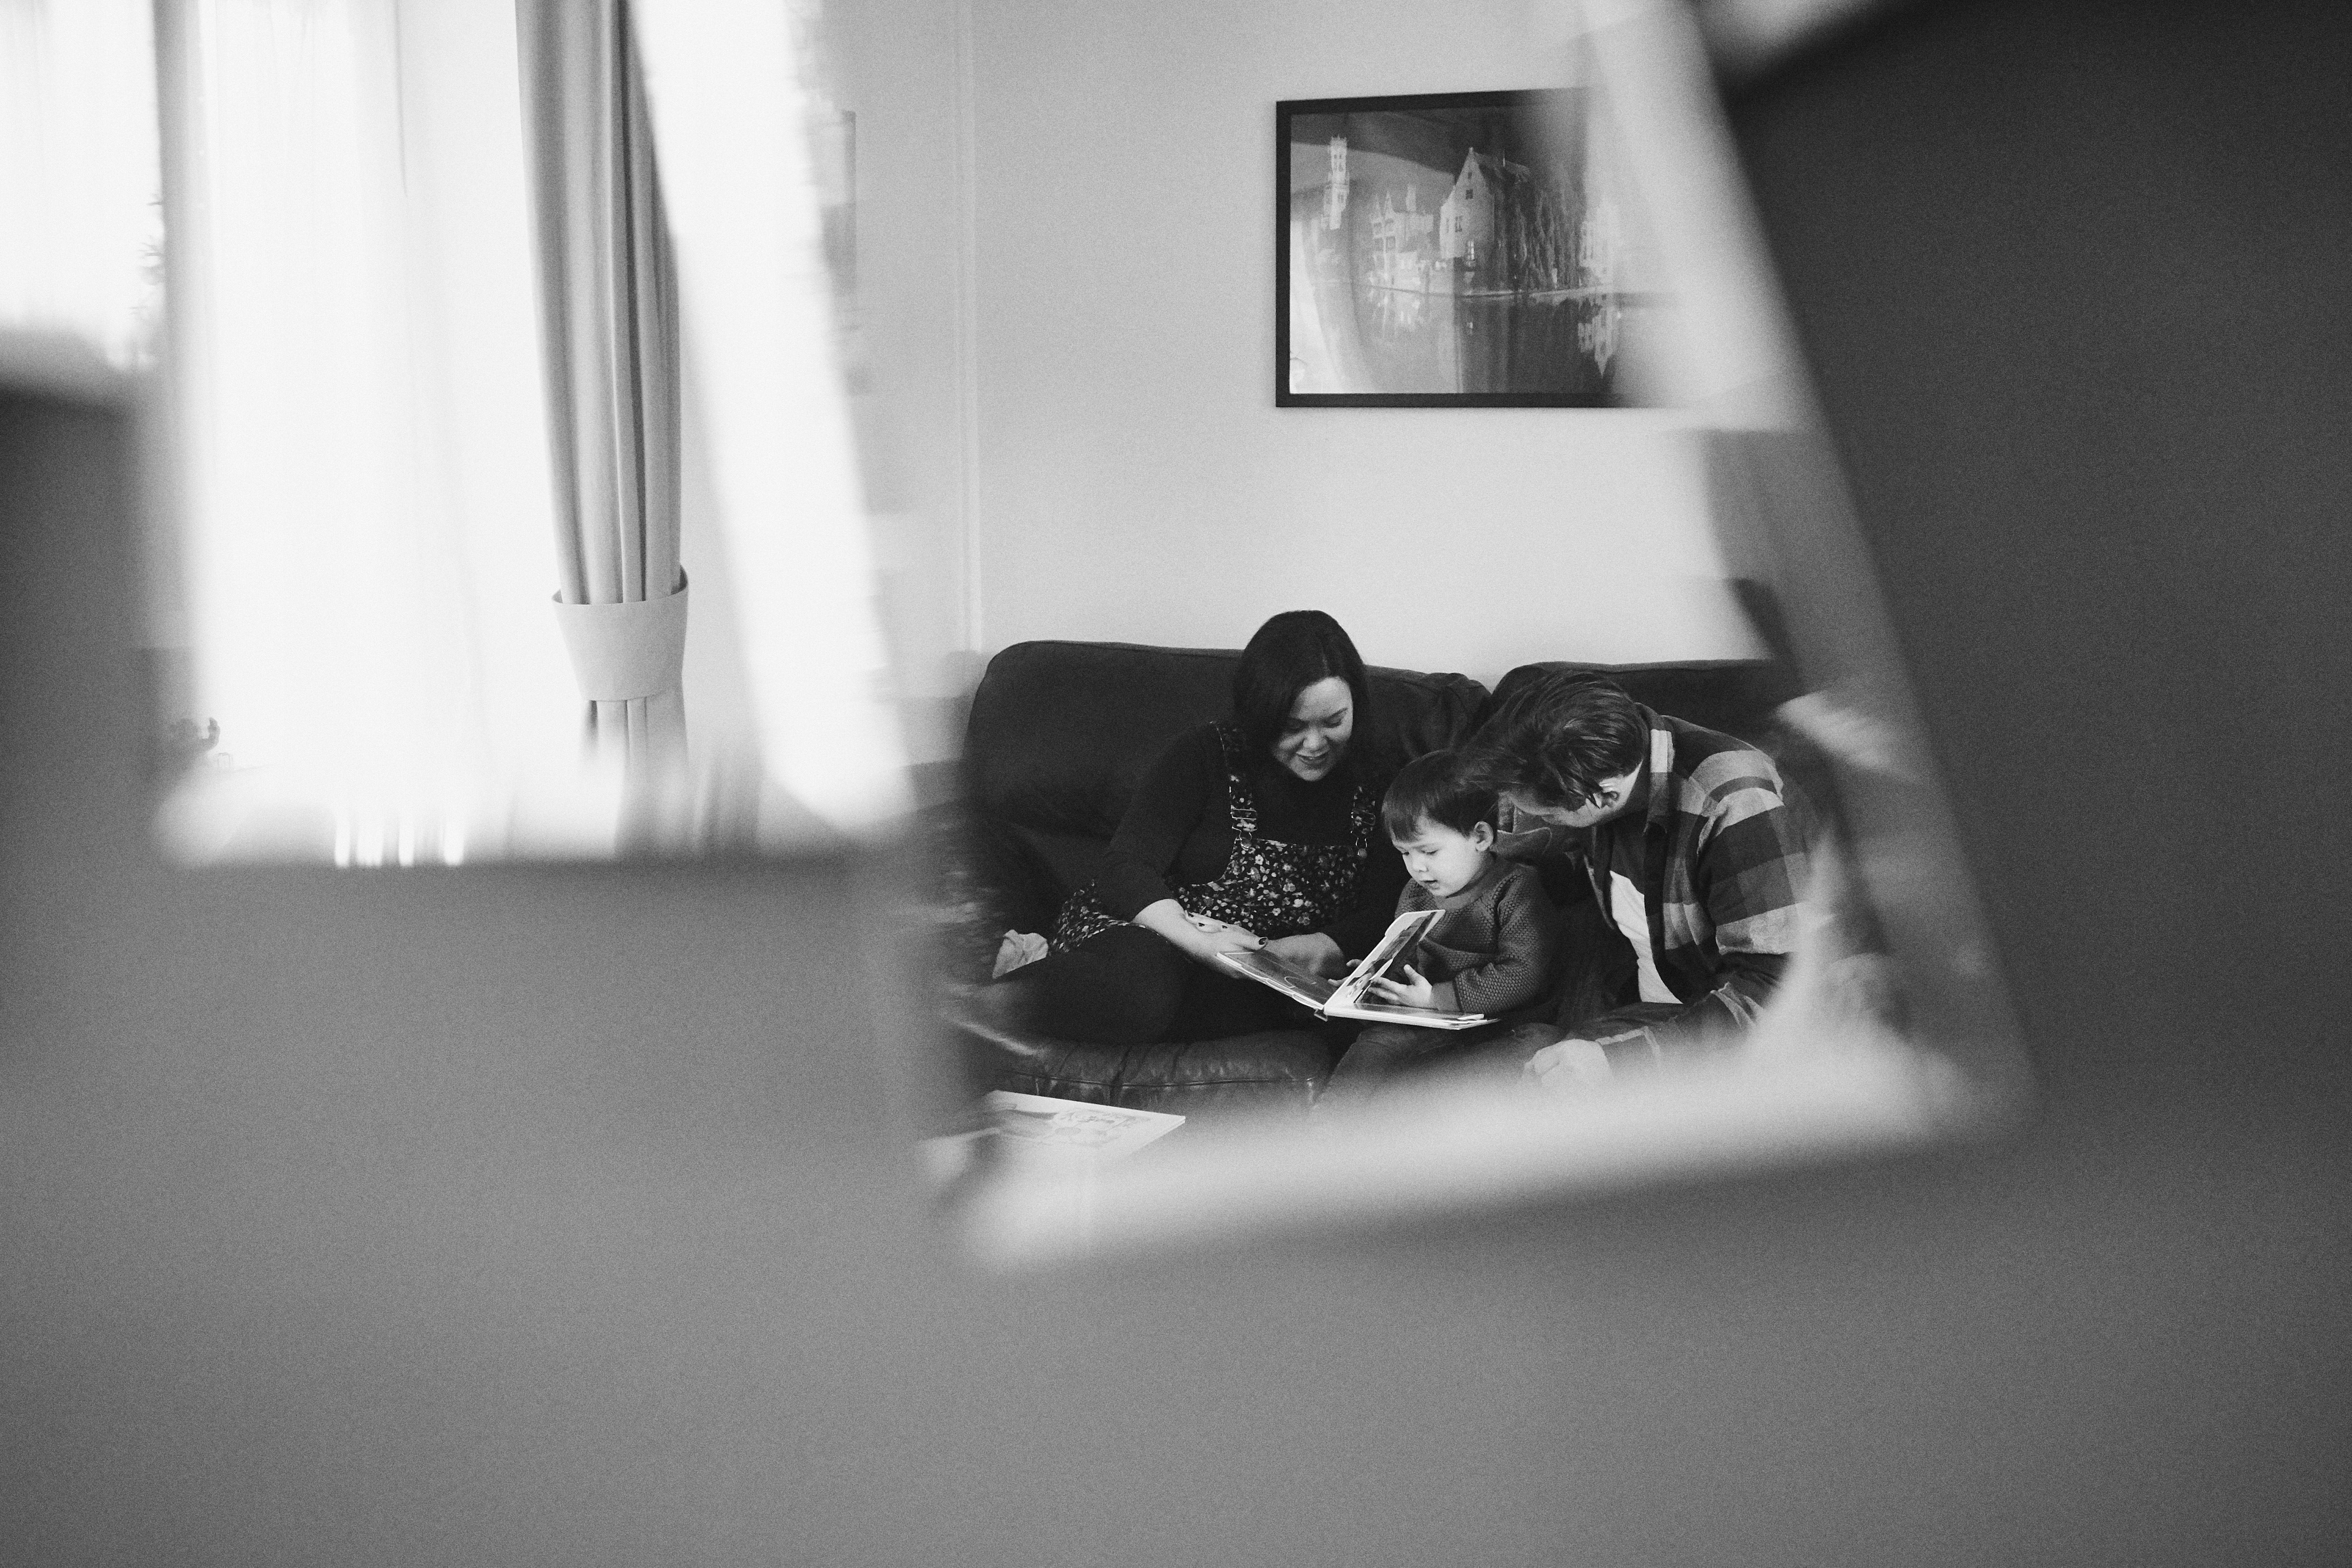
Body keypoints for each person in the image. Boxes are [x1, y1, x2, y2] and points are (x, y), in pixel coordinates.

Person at [984, 610, 1406, 1045]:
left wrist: (1324, 947)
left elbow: (1389, 912)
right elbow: (1124, 867)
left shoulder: (1383, 784)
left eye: (1334, 722)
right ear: (1260, 715)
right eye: (1293, 727)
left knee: (1269, 1006)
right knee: (1147, 986)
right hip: (1151, 937)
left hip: (1258, 976)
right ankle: (980, 1012)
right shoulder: (1206, 756)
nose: (1315, 745)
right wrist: (1199, 942)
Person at [1471, 670, 1811, 1092]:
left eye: (1546, 815)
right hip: (1628, 984)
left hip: (1716, 1019)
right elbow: (1584, 868)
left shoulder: (1735, 802)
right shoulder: (1604, 760)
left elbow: (1776, 990)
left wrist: (1618, 1058)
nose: (1536, 822)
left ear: (1603, 797)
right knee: (1489, 1072)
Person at [1317, 749, 1564, 1105]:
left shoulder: (1516, 890)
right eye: (1405, 853)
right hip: (1432, 1019)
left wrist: (1440, 998)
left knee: (1542, 1044)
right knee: (1377, 1043)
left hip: (1510, 1023)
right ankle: (1324, 1130)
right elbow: (1406, 960)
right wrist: (1372, 982)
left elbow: (1523, 973)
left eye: (1429, 852)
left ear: (1480, 838)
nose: (1417, 867)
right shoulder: (1416, 895)